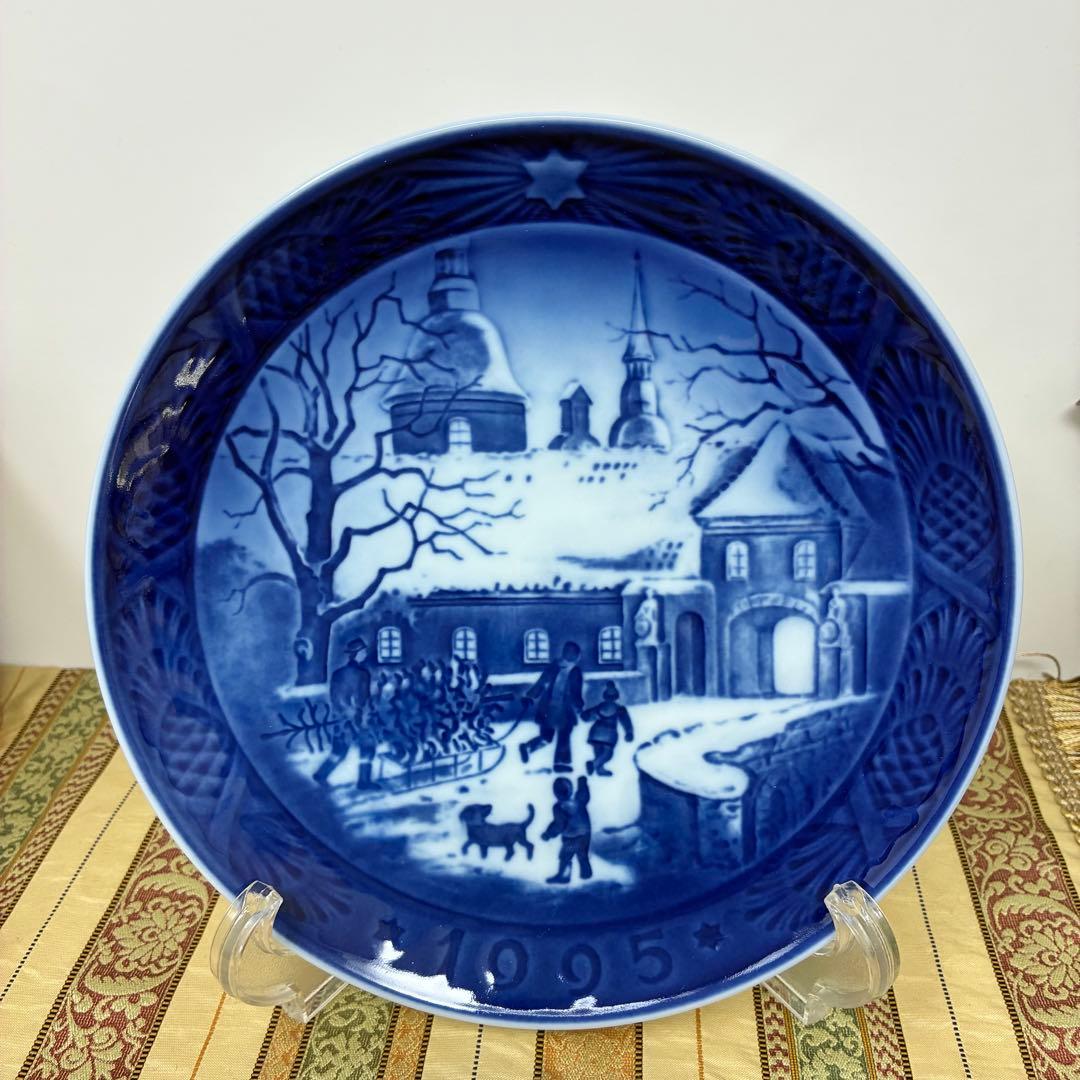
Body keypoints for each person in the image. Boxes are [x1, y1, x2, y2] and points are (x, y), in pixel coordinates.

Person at [314, 637, 378, 789]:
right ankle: (362, 782)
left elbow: (335, 698)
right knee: (362, 747)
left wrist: (344, 714)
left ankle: (322, 775)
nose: (365, 653)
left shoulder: (338, 673)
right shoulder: (362, 674)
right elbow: (360, 699)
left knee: (344, 749)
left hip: (343, 718)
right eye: (363, 651)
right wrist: (356, 716)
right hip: (355, 719)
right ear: (357, 653)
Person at [519, 641, 584, 773]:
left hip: (553, 709)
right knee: (560, 734)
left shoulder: (557, 667)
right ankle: (561, 763)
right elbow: (575, 691)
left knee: (550, 735)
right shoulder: (571, 670)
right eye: (575, 653)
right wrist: (579, 705)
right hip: (558, 710)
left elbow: (541, 684)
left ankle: (529, 747)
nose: (577, 657)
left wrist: (531, 695)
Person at [542, 775, 592, 883]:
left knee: (565, 857)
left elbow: (560, 824)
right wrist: (582, 783)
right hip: (585, 834)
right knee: (582, 855)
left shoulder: (559, 807)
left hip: (571, 837)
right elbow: (584, 795)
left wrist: (548, 834)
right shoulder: (579, 801)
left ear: (555, 793)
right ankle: (586, 874)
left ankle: (564, 876)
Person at [582, 680, 634, 776]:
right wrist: (629, 732)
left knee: (598, 753)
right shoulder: (620, 709)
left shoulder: (600, 707)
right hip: (609, 735)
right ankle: (593, 764)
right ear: (616, 697)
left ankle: (600, 769)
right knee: (607, 754)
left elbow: (588, 716)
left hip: (596, 733)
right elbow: (626, 722)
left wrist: (586, 715)